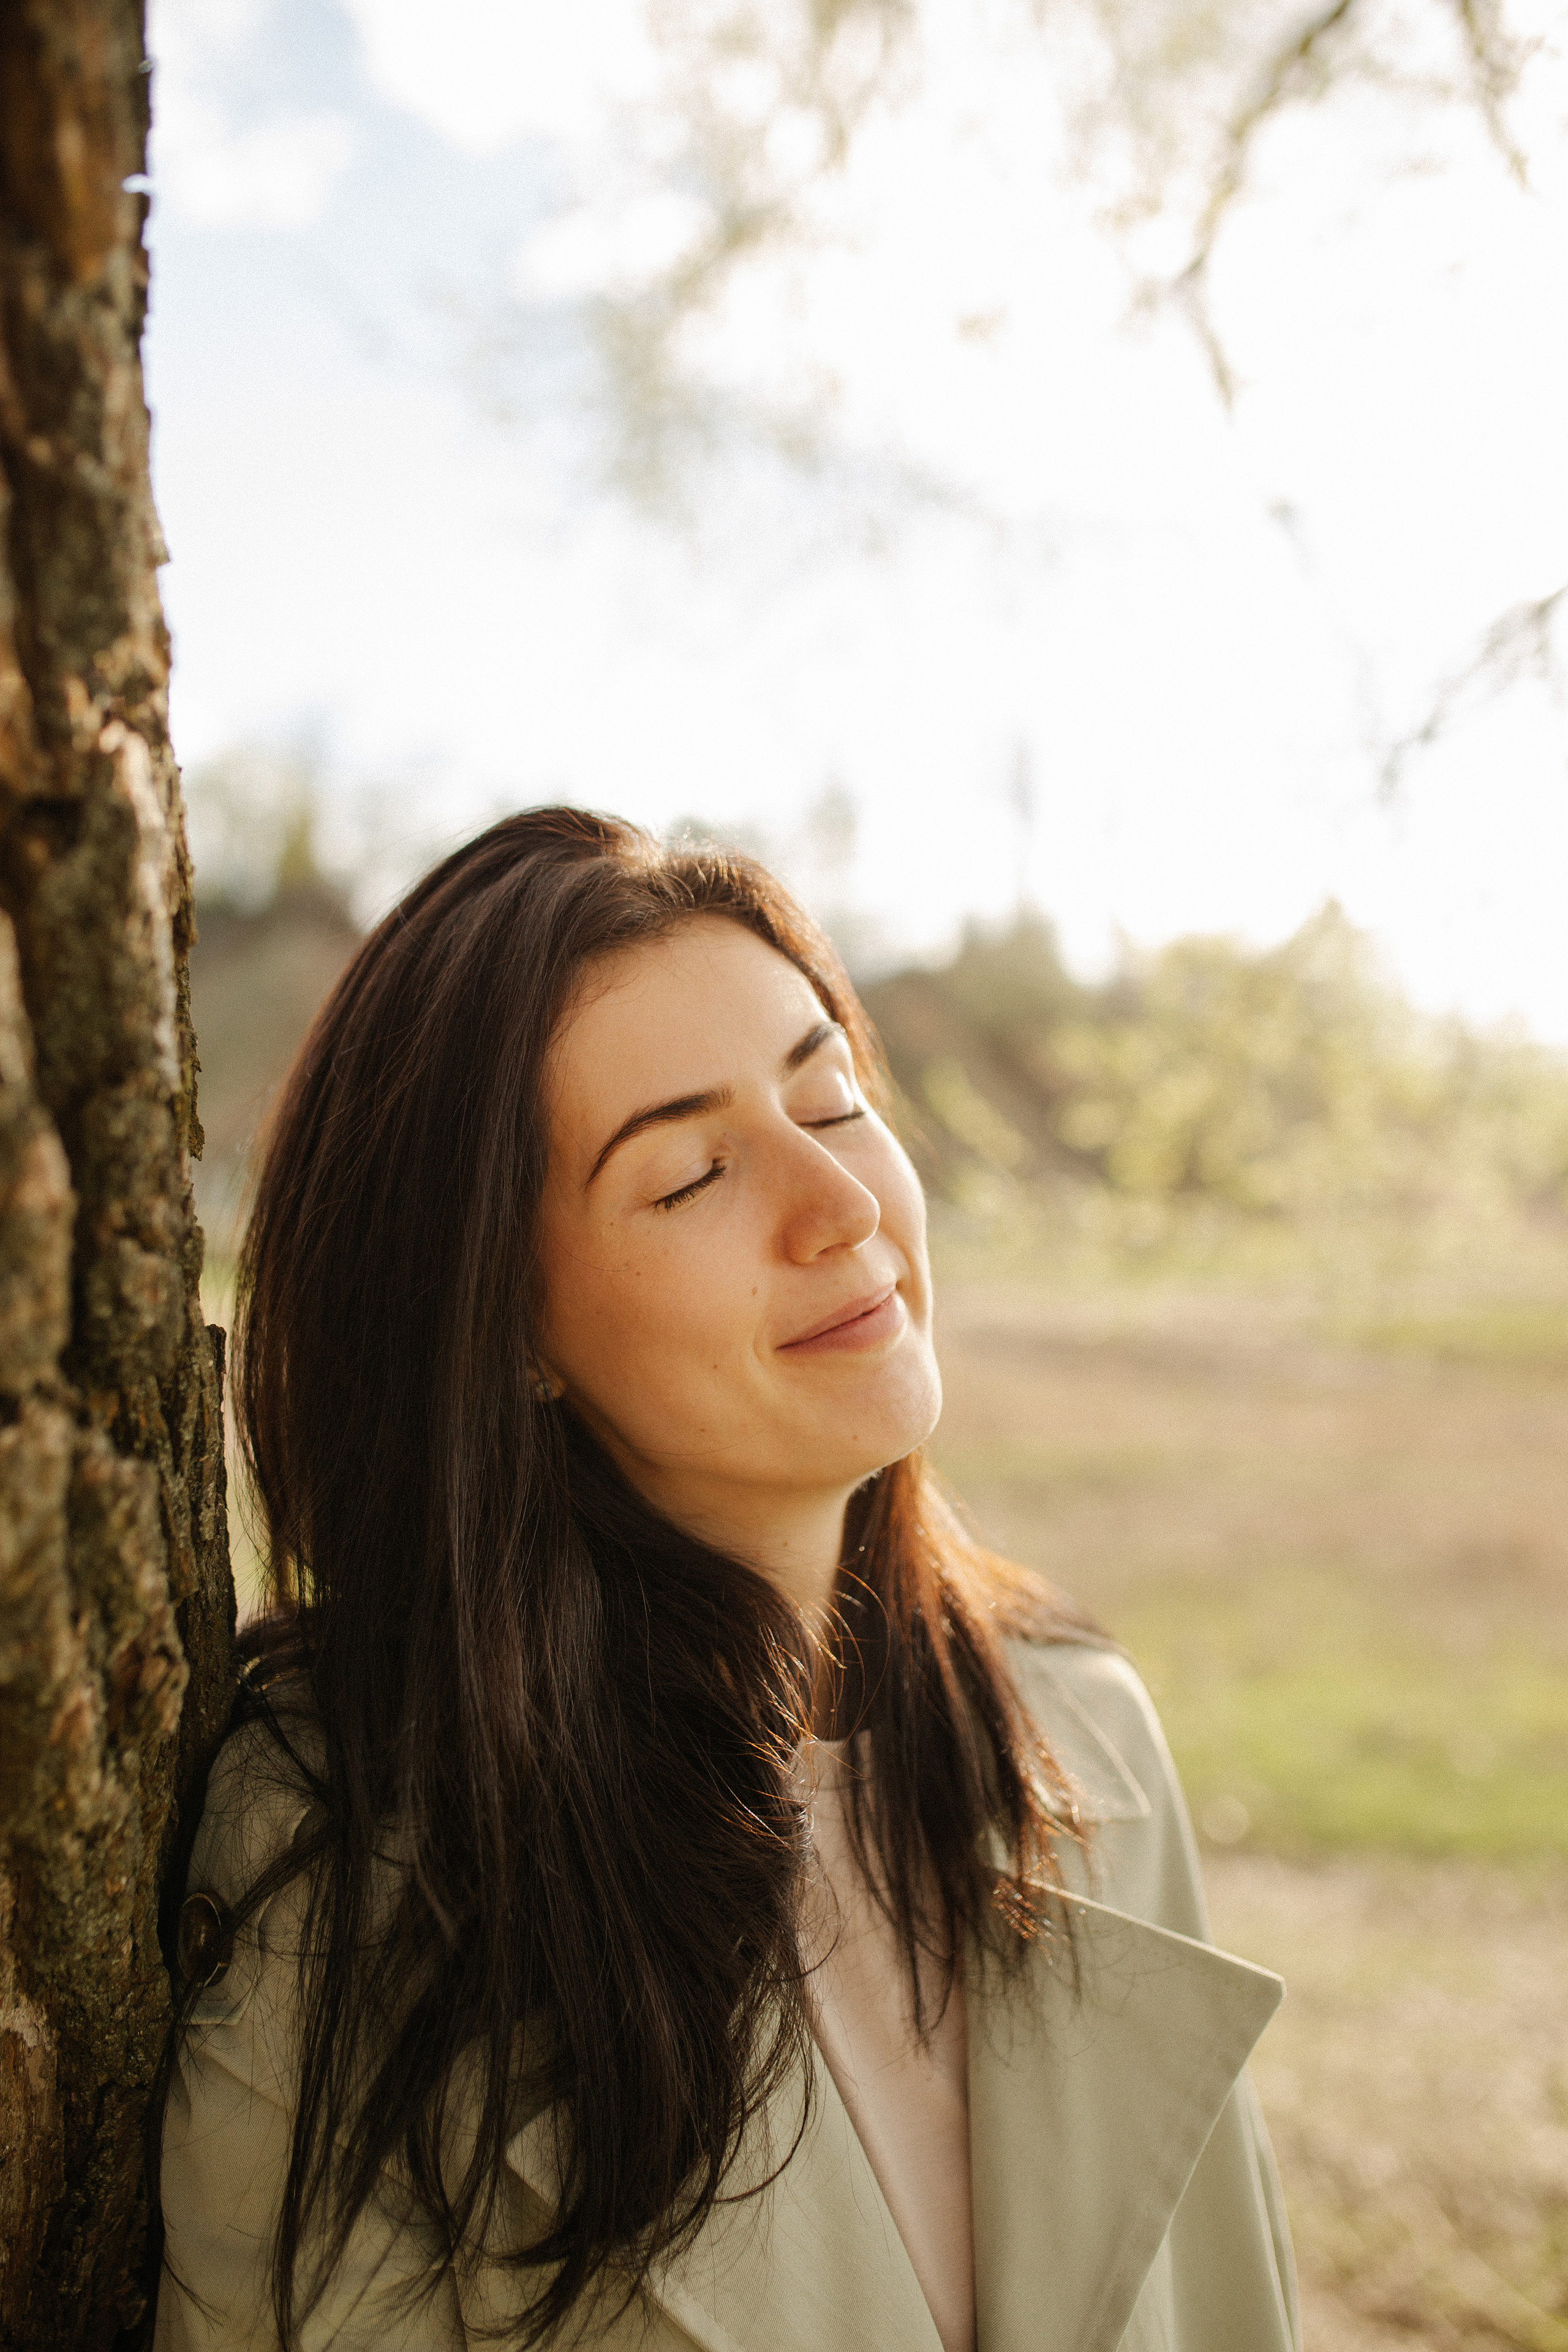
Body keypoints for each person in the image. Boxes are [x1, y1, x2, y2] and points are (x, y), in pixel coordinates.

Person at [154, 808, 1298, 2352]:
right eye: (691, 1176)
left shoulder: (1080, 1737)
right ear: (501, 1329)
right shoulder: (351, 1843)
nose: (843, 1208)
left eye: (828, 1103)